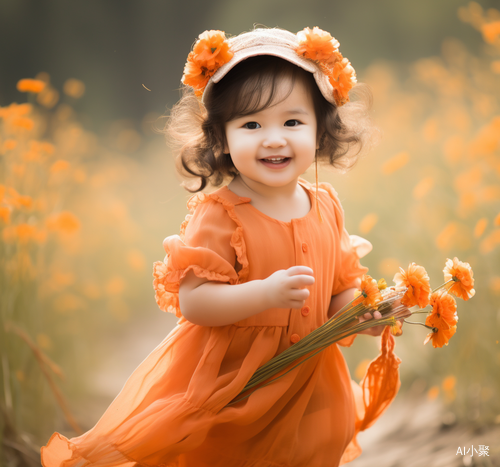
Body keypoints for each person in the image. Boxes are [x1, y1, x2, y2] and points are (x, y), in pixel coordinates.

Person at [41, 27, 402, 467]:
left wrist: (362, 314)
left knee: (311, 452)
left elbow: (337, 289)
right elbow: (195, 302)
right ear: (221, 139)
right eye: (251, 124)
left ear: (321, 129)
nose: (273, 138)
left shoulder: (324, 206)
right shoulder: (221, 214)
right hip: (236, 386)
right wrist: (264, 294)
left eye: (292, 121)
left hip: (308, 382)